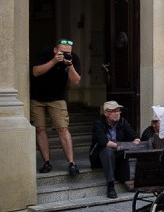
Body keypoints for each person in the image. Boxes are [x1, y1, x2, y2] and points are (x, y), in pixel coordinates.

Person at [30, 38, 82, 176]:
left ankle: (72, 163)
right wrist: (54, 61)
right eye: (62, 52)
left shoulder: (73, 58)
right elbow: (35, 72)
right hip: (37, 97)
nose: (66, 54)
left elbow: (76, 81)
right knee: (40, 129)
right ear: (55, 50)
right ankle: (47, 162)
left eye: (68, 52)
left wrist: (69, 65)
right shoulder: (45, 53)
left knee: (63, 129)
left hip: (57, 98)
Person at [90, 101, 140, 198]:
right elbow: (103, 142)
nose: (117, 113)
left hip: (116, 155)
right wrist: (122, 146)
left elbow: (133, 135)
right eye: (114, 111)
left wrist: (136, 140)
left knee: (124, 152)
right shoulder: (98, 123)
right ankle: (110, 185)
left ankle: (127, 179)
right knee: (108, 150)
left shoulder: (122, 121)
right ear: (106, 113)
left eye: (118, 110)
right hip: (99, 157)